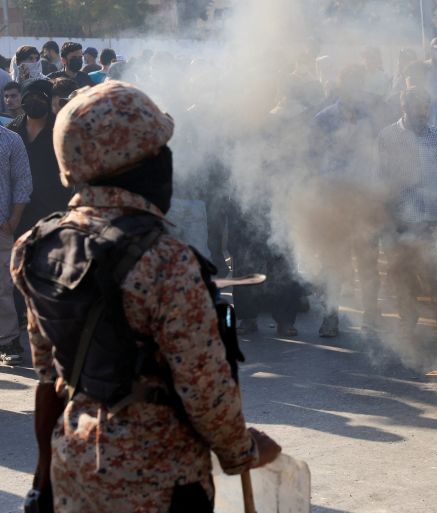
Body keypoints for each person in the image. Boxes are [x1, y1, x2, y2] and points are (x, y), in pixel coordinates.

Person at [11, 81, 281, 512]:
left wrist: (43, 481)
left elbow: (51, 379)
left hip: (74, 472)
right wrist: (242, 451)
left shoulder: (37, 246)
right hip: (159, 482)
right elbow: (204, 385)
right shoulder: (166, 259)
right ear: (138, 163)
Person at [377, 87, 437, 333]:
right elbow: (381, 178)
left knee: (436, 271)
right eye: (417, 107)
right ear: (404, 108)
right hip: (402, 218)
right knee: (406, 273)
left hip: (433, 216)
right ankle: (407, 322)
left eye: (426, 107)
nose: (423, 112)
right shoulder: (388, 136)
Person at [311, 65, 381, 337]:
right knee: (334, 262)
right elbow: (311, 159)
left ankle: (371, 318)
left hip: (364, 199)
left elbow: (378, 157)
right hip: (334, 199)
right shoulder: (323, 120)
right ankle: (330, 317)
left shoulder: (370, 119)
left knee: (367, 261)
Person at [8, 79, 70, 238]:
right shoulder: (12, 130)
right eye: (29, 98)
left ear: (48, 100)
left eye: (40, 98)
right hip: (19, 212)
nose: (34, 102)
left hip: (55, 210)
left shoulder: (62, 129)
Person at [0, 123, 31, 365]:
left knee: (3, 286)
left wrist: (14, 219)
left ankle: (8, 339)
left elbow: (22, 180)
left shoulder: (11, 140)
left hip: (1, 225)